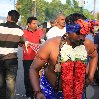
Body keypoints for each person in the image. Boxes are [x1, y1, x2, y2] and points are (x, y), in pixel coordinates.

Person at [29, 13, 98, 99]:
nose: (82, 38)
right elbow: (34, 69)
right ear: (68, 31)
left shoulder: (87, 44)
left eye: (84, 34)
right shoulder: (51, 45)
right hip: (50, 93)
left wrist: (91, 76)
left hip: (77, 93)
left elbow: (94, 56)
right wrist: (37, 92)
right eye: (78, 33)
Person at [0, 10, 24, 99]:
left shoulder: (0, 27)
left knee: (0, 83)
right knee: (10, 83)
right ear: (17, 20)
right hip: (12, 60)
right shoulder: (19, 30)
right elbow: (22, 43)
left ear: (9, 17)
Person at [23, 16, 44, 99]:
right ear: (29, 24)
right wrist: (25, 41)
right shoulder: (24, 32)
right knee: (28, 76)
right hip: (27, 58)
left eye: (36, 23)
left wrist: (42, 41)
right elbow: (23, 40)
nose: (36, 25)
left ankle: (38, 92)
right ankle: (29, 94)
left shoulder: (39, 31)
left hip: (38, 58)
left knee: (39, 76)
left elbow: (42, 39)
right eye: (34, 23)